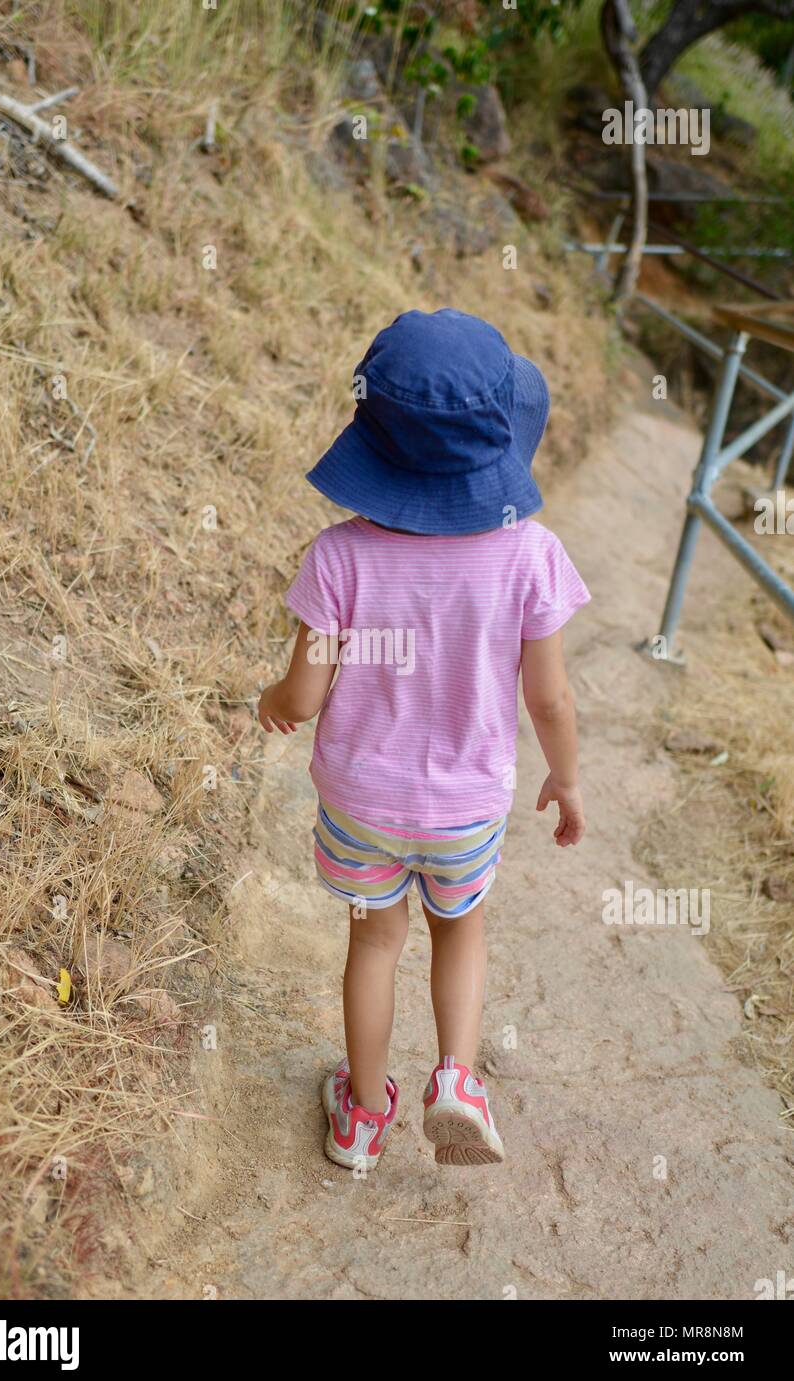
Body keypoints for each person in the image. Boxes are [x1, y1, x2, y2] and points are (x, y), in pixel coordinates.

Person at [258, 308, 590, 1170]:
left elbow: (304, 690)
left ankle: (362, 1117)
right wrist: (567, 778)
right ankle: (456, 1080)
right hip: (467, 804)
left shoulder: (337, 557)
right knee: (460, 932)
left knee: (374, 940)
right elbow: (549, 697)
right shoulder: (530, 554)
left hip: (363, 800)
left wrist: (273, 701)